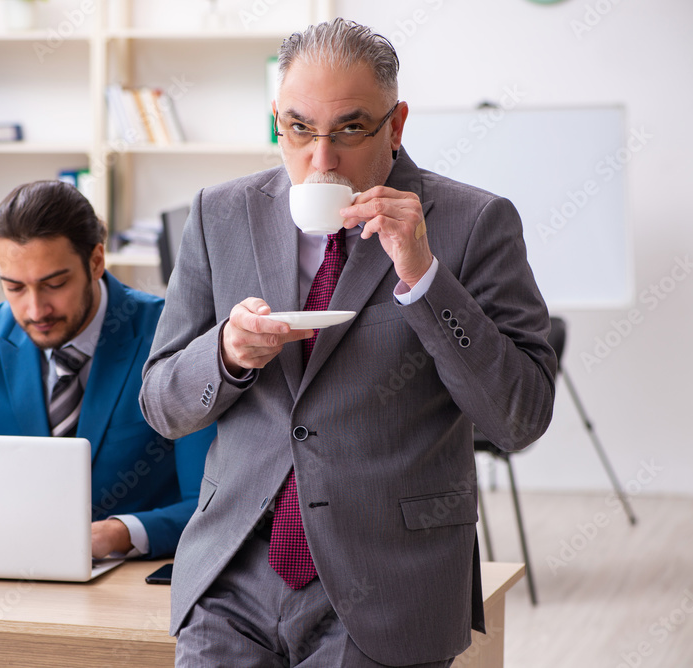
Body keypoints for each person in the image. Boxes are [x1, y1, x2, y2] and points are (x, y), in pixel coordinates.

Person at [139, 19, 557, 668]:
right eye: (299, 128)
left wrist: (424, 277)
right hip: (230, 580)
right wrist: (225, 354)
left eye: (351, 128)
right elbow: (162, 404)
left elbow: (519, 419)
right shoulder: (219, 213)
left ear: (396, 124)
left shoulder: (473, 223)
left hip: (388, 584)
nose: (322, 159)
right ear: (276, 119)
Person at [0, 180, 215, 560]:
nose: (36, 310)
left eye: (54, 284)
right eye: (15, 288)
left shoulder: (172, 340)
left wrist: (120, 533)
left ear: (96, 261)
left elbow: (211, 505)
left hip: (129, 579)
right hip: (7, 567)